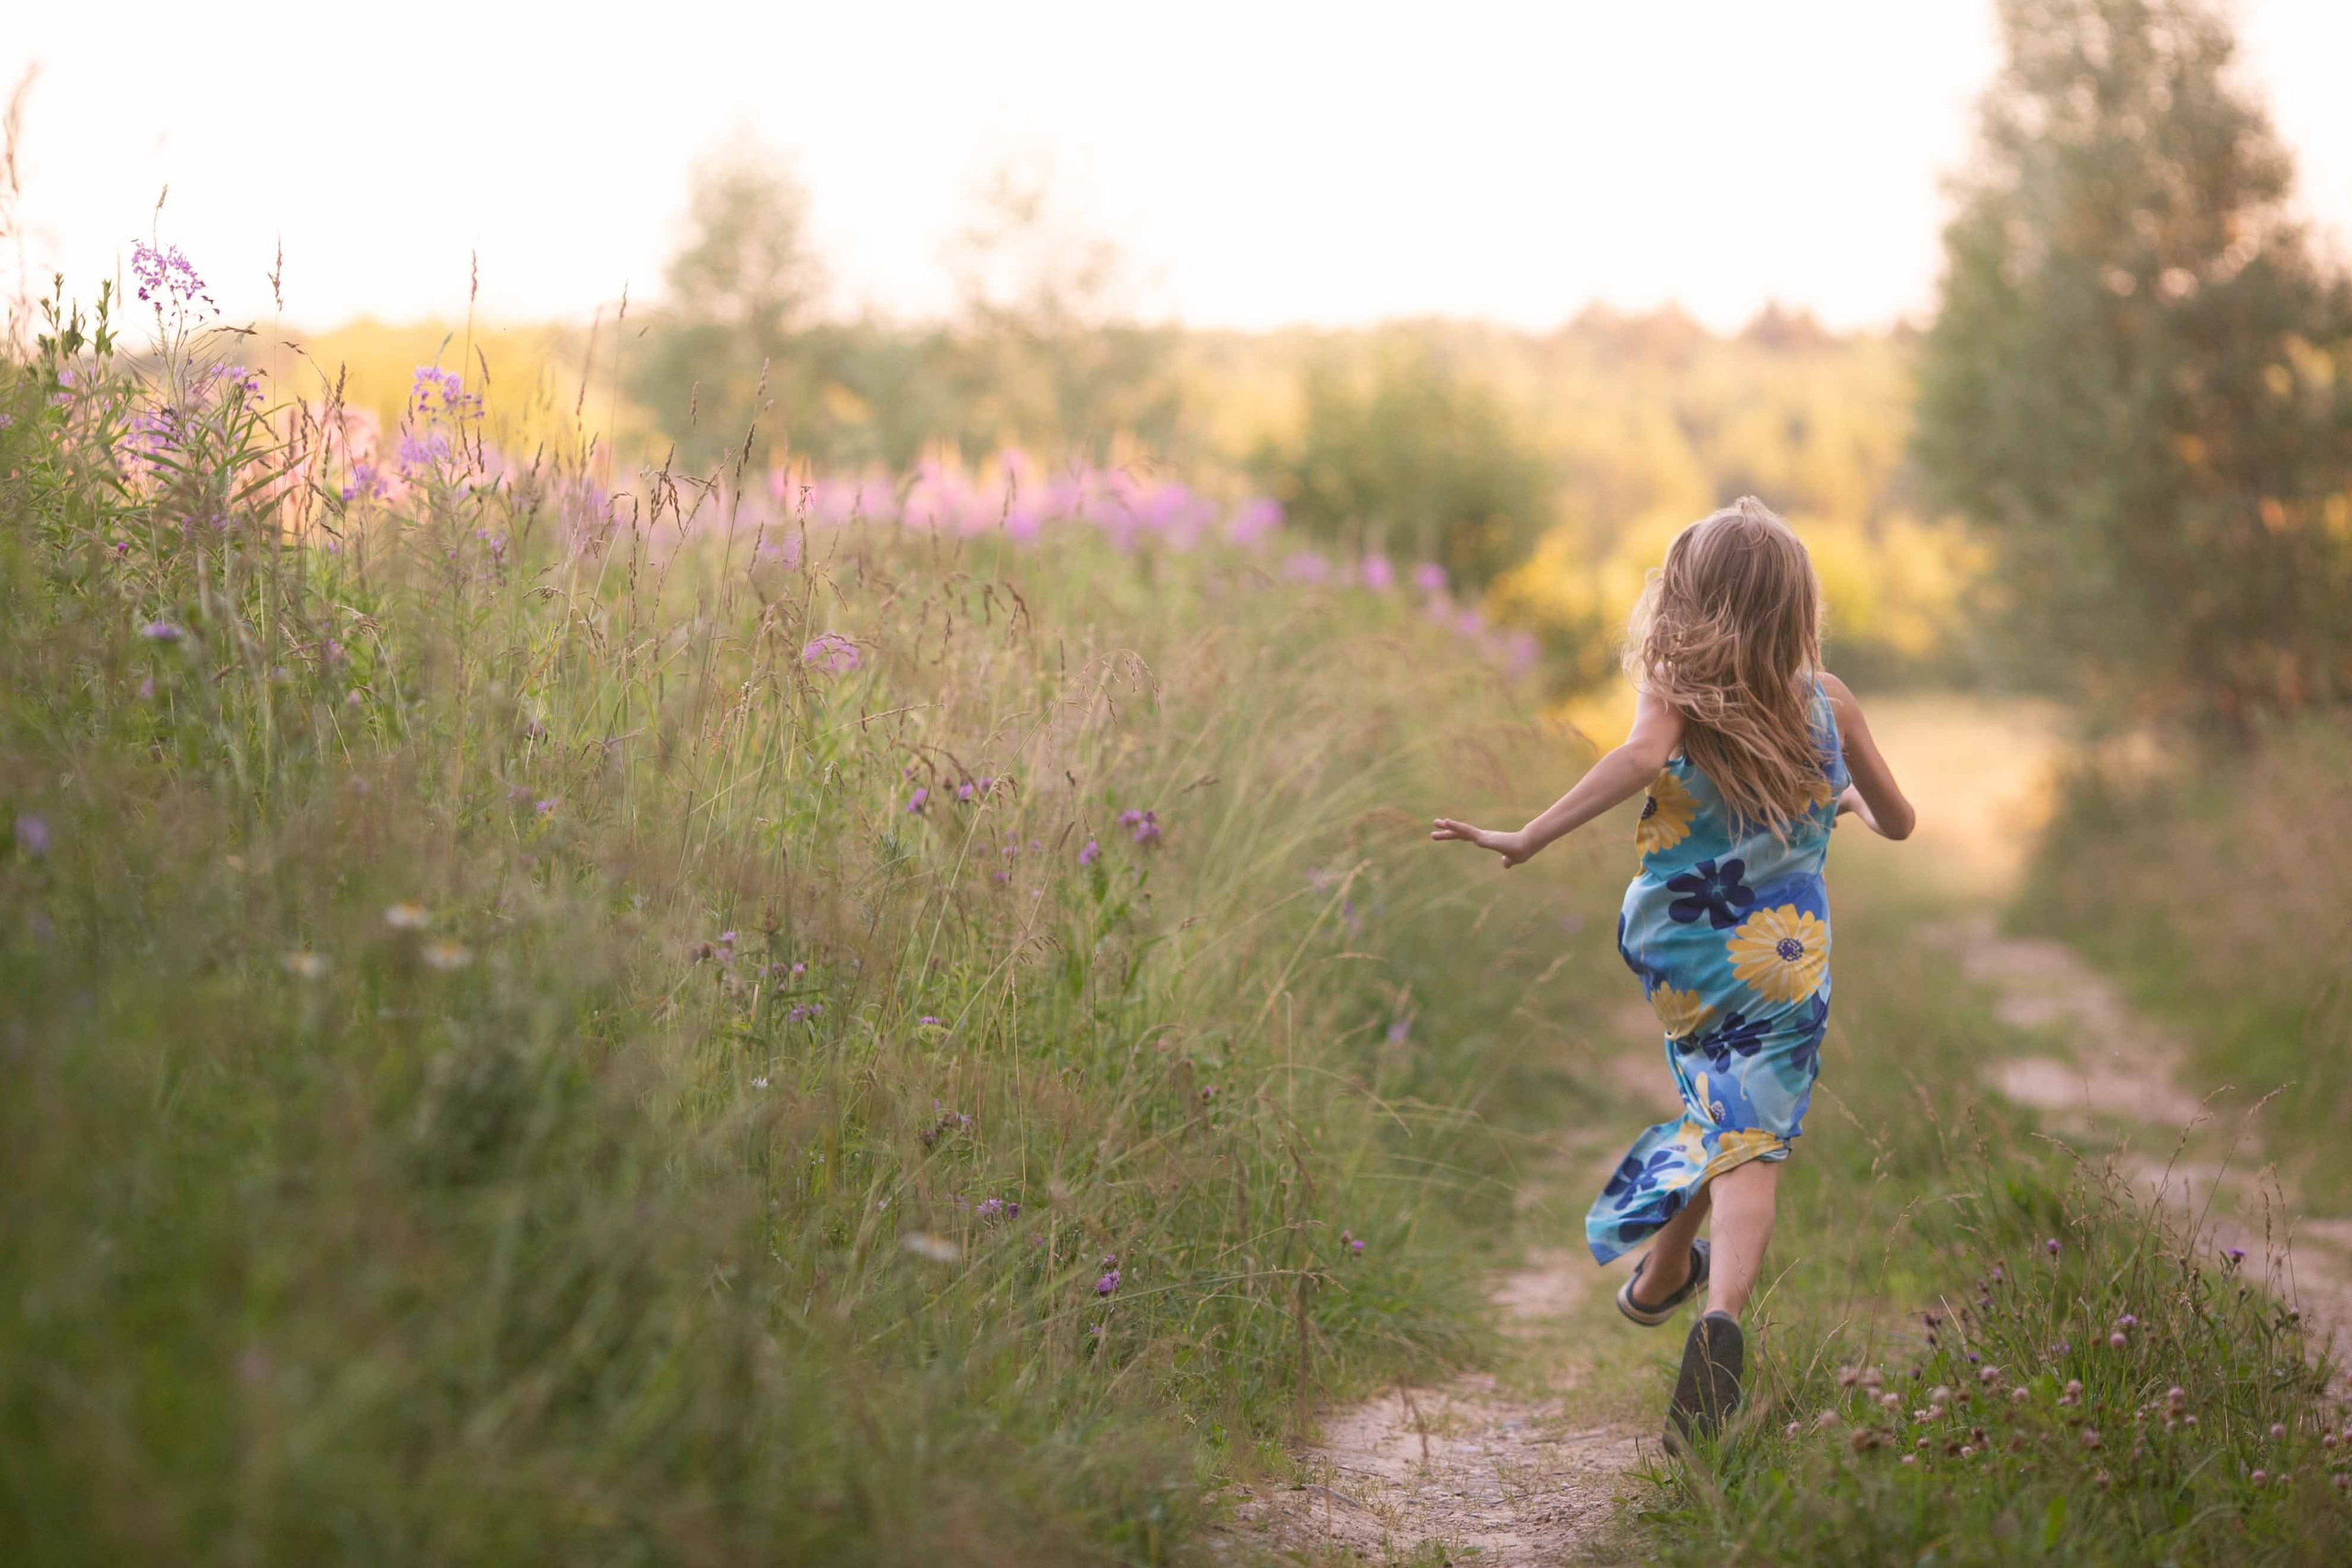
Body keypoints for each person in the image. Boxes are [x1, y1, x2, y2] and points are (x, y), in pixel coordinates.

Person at [1430, 496, 1914, 1452]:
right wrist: (1846, 795)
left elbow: (1642, 755)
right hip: (1784, 958)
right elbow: (1899, 822)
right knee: (1751, 1140)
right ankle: (1717, 1310)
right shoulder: (1831, 700)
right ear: (1795, 605)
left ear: (1689, 597)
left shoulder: (1675, 689)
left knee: (1722, 1112)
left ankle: (1659, 1282)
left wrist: (1529, 835)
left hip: (1680, 949)